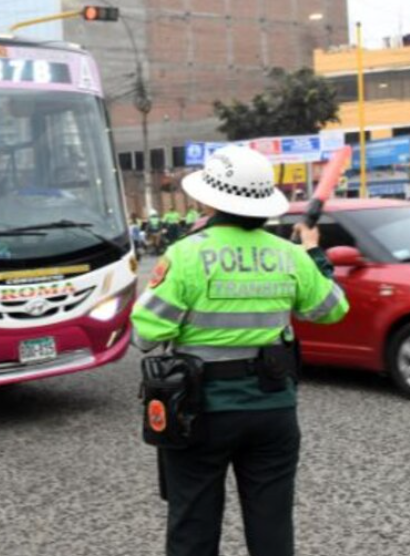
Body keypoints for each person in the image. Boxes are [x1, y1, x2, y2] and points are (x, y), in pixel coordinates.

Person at [130, 144, 349, 556]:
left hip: (200, 413)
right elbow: (332, 309)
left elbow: (145, 332)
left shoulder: (187, 254)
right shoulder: (289, 255)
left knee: (193, 524)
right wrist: (313, 253)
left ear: (207, 199)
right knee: (272, 526)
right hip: (273, 409)